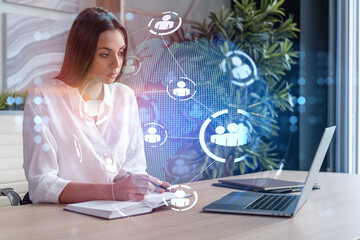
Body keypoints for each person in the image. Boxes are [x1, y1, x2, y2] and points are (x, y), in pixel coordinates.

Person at [23, 7, 171, 204]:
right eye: (105, 54)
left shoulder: (124, 97)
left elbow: (133, 168)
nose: (116, 64)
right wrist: (111, 191)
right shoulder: (44, 98)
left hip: (115, 213)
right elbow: (41, 184)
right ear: (82, 52)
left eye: (120, 53)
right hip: (61, 218)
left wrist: (144, 184)